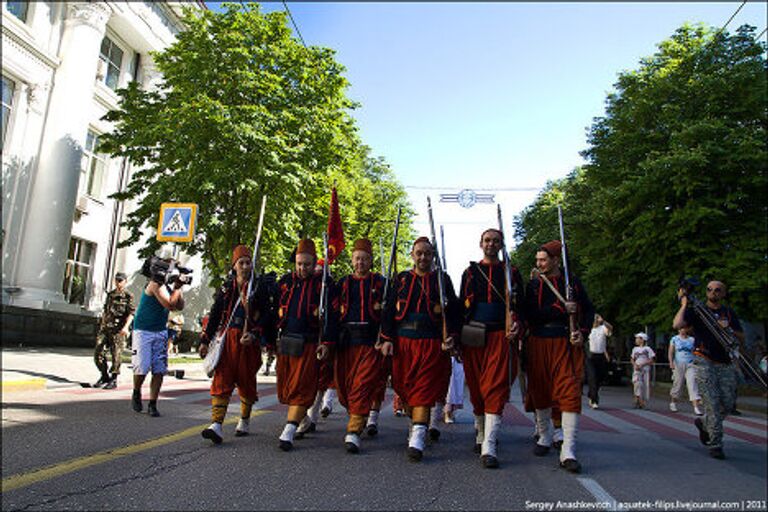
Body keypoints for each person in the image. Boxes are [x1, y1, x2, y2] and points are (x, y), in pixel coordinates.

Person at [379, 236, 460, 462]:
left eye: (427, 253)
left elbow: (453, 312)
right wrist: (387, 338)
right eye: (419, 253)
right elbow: (388, 311)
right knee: (405, 389)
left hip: (431, 344)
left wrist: (451, 336)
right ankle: (416, 425)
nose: (423, 257)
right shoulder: (402, 279)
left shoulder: (443, 279)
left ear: (433, 256)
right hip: (404, 344)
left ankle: (417, 438)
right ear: (413, 255)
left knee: (424, 391)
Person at [524, 240, 594, 474]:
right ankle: (544, 435)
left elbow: (589, 310)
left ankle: (568, 449)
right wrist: (562, 309)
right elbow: (531, 315)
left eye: (543, 260)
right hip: (539, 342)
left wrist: (581, 332)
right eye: (537, 260)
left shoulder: (572, 283)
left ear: (555, 260)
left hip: (566, 343)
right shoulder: (533, 285)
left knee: (569, 393)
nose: (539, 264)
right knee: (541, 391)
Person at [459, 228, 525, 468]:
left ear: (501, 245)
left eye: (496, 241)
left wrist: (517, 324)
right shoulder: (470, 272)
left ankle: (490, 444)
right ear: (480, 243)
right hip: (474, 336)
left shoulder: (512, 273)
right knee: (476, 388)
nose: (491, 244)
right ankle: (480, 430)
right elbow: (461, 307)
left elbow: (521, 305)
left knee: (495, 387)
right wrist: (456, 339)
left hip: (500, 335)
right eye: (487, 240)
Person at [199, 245, 270, 444]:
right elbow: (214, 315)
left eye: (248, 263)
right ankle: (217, 424)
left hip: (248, 342)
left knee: (246, 380)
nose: (245, 267)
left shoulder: (258, 287)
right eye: (241, 263)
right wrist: (205, 339)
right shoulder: (227, 288)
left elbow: (266, 315)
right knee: (222, 379)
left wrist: (255, 333)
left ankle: (245, 419)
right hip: (228, 340)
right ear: (234, 266)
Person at [272, 239, 336, 451]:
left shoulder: (323, 285)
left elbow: (331, 317)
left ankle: (288, 430)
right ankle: (304, 421)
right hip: (287, 343)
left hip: (309, 344)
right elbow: (273, 313)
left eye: (307, 264)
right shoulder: (284, 282)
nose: (302, 268)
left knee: (301, 388)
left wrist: (326, 341)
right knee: (286, 391)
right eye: (299, 264)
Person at [673, 280, 744, 459]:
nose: (713, 292)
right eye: (710, 289)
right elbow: (677, 324)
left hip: (725, 361)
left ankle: (705, 423)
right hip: (704, 359)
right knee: (711, 403)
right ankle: (716, 443)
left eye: (718, 290)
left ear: (723, 293)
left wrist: (728, 329)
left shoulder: (728, 313)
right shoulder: (698, 311)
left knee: (727, 403)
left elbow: (741, 336)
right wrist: (683, 304)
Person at [332, 238, 387, 453]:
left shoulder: (381, 283)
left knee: (362, 386)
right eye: (357, 259)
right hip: (347, 344)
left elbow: (389, 315)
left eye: (364, 259)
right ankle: (358, 416)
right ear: (352, 260)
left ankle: (353, 432)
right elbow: (334, 313)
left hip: (370, 344)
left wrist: (385, 338)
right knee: (345, 389)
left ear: (370, 261)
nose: (360, 263)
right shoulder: (342, 284)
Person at [131, 258, 185, 417]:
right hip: (144, 330)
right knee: (142, 366)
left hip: (160, 330)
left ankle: (153, 403)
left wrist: (178, 289)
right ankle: (136, 391)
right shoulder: (155, 284)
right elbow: (169, 304)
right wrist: (176, 288)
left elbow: (179, 306)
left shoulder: (168, 286)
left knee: (159, 369)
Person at [94, 272, 134, 389]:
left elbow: (131, 313)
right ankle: (104, 375)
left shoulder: (128, 296)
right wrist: (102, 323)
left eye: (121, 280)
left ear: (125, 281)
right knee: (98, 351)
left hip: (118, 329)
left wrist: (126, 327)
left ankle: (114, 378)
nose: (118, 282)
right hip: (106, 327)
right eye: (117, 280)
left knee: (116, 354)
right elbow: (106, 310)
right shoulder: (111, 294)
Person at [668, 327, 702, 415]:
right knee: (678, 383)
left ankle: (696, 407)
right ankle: (673, 402)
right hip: (678, 364)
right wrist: (671, 362)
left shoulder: (692, 339)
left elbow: (696, 351)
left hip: (690, 364)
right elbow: (671, 352)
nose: (682, 330)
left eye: (684, 328)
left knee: (692, 383)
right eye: (680, 329)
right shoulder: (675, 339)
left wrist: (697, 360)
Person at [586, 314, 612, 409]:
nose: (596, 321)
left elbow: (610, 328)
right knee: (592, 377)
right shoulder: (588, 329)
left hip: (600, 356)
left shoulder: (602, 328)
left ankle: (591, 394)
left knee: (600, 378)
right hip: (590, 356)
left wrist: (603, 321)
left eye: (597, 319)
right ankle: (594, 400)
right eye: (594, 319)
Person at [631, 333, 655, 409]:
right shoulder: (634, 349)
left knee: (645, 385)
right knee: (637, 383)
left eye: (637, 338)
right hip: (637, 369)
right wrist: (635, 364)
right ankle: (638, 398)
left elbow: (651, 360)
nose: (636, 340)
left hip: (645, 369)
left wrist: (643, 364)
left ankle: (642, 400)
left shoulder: (648, 349)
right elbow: (632, 359)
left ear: (642, 340)